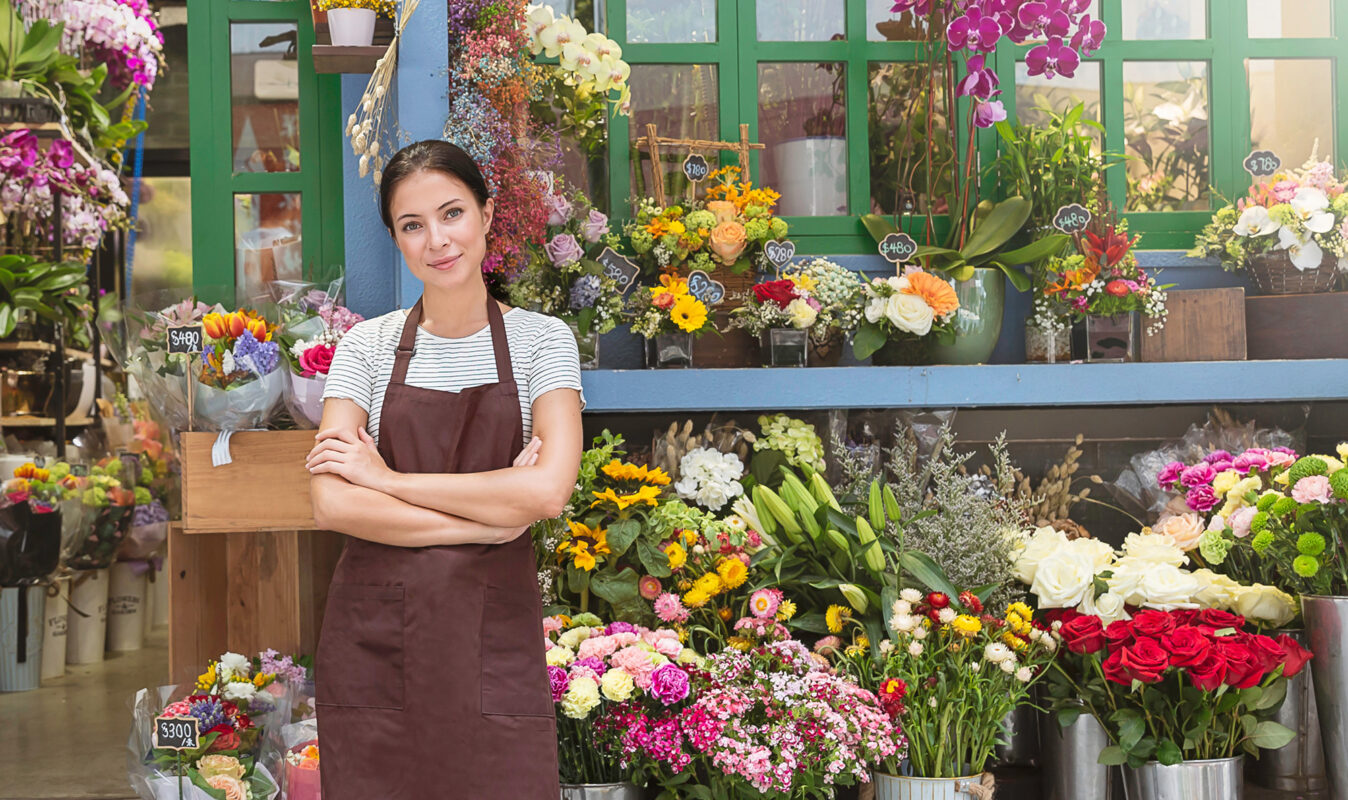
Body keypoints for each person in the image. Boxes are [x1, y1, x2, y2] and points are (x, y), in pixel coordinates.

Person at [305, 140, 583, 798]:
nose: (437, 240)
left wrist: (388, 481)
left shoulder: (542, 341)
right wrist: (491, 523)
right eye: (412, 224)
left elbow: (547, 490)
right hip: (376, 651)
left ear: (487, 214)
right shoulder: (365, 347)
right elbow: (334, 504)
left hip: (492, 648)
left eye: (452, 213)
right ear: (396, 239)